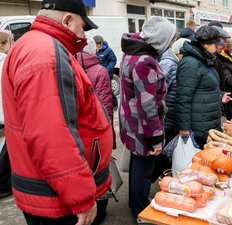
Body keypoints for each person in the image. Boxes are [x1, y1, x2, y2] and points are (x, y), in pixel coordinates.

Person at [2, 0, 113, 225]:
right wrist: (81, 197)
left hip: (50, 189)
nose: (83, 35)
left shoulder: (36, 45)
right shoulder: (46, 54)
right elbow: (52, 137)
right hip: (58, 199)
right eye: (82, 26)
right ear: (67, 20)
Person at [119, 16, 176, 223]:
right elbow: (147, 105)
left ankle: (136, 203)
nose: (170, 44)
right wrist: (155, 138)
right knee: (143, 170)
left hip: (131, 122)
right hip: (143, 127)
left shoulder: (132, 52)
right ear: (161, 39)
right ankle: (141, 211)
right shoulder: (145, 61)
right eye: (169, 40)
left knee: (137, 165)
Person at [175, 26, 232, 149]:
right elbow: (183, 98)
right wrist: (184, 128)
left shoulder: (205, 60)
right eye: (215, 44)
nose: (218, 47)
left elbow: (205, 87)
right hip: (198, 126)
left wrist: (219, 95)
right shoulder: (190, 64)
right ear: (206, 45)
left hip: (208, 121)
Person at [77, 36, 116, 150]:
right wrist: (109, 134)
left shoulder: (70, 64)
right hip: (96, 128)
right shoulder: (100, 71)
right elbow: (106, 105)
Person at [161, 38, 190, 145]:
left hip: (173, 119)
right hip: (167, 120)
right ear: (179, 53)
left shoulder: (176, 63)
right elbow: (158, 92)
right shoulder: (168, 65)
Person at [0, 30, 13, 200]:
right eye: (12, 41)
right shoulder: (4, 62)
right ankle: (3, 186)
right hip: (5, 115)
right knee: (6, 152)